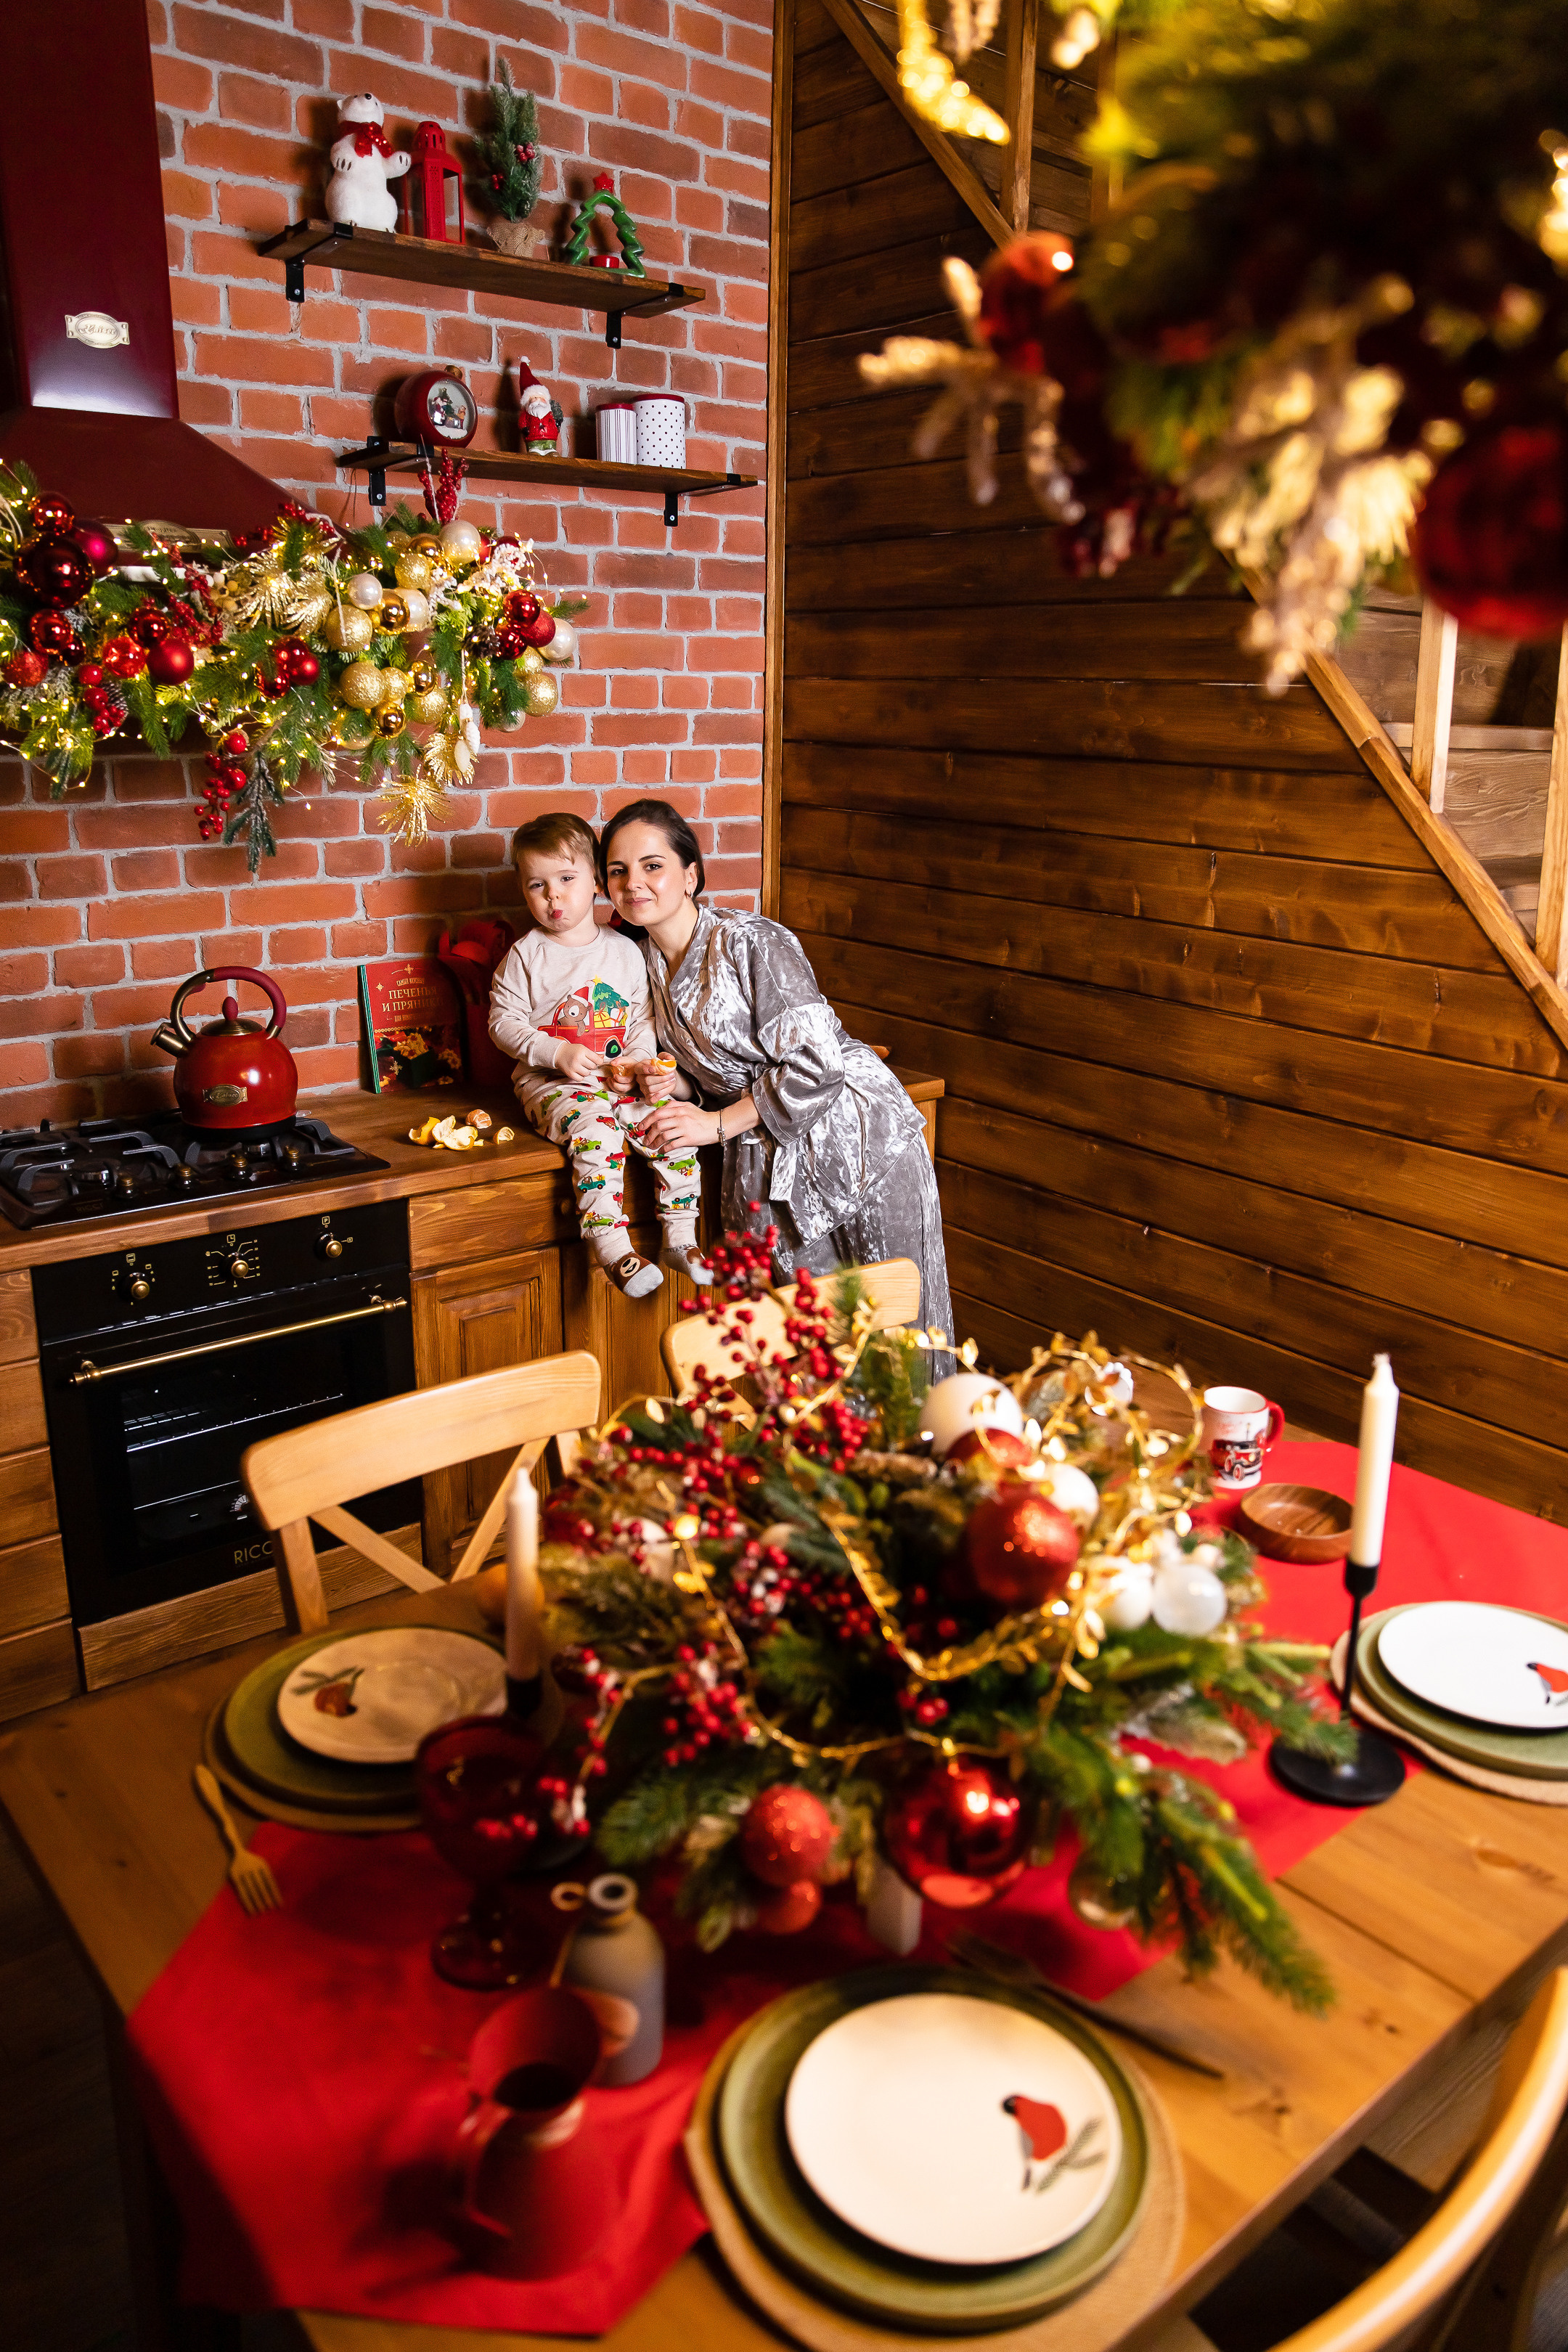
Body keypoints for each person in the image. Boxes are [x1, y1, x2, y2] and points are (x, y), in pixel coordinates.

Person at [598, 797, 954, 1340]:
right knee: (818, 1342)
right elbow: (706, 1072)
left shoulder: (750, 941)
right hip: (764, 1168)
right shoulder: (634, 964)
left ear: (690, 875)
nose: (634, 883)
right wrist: (676, 1085)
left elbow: (818, 1064)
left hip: (857, 1140)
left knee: (902, 1326)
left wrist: (713, 1126)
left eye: (653, 866)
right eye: (618, 871)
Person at [488, 813, 712, 1299]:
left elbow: (641, 1020)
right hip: (553, 1088)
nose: (553, 897)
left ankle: (679, 1238)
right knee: (597, 1131)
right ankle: (613, 1249)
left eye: (566, 880)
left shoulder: (625, 952)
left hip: (617, 1081)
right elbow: (502, 1023)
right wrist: (555, 1051)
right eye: (537, 885)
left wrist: (635, 1062)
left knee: (670, 1122)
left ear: (596, 881)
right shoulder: (526, 956)